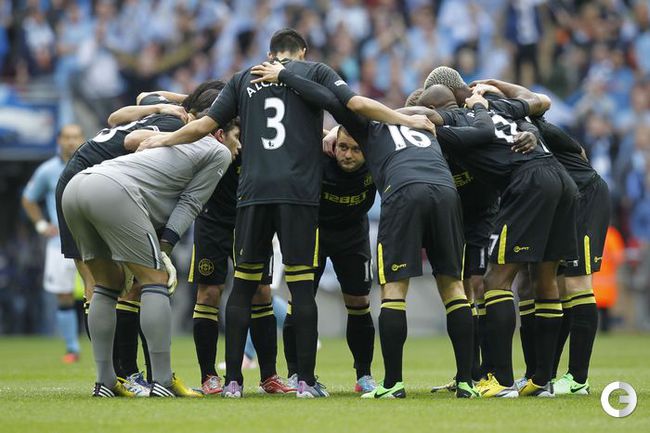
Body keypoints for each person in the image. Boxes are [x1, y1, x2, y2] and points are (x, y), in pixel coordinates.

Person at [138, 28, 434, 399]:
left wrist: (163, 138)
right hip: (298, 196)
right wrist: (405, 120)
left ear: (270, 53)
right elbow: (356, 105)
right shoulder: (316, 72)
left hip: (253, 194)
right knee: (300, 288)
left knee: (243, 287)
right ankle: (305, 382)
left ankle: (232, 383)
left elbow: (205, 124)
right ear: (303, 52)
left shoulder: (244, 78)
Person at [251, 60, 504, 399]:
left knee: (394, 292)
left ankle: (393, 383)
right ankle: (465, 382)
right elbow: (481, 132)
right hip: (445, 192)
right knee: (455, 289)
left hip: (403, 192)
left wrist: (285, 76)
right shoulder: (432, 121)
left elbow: (329, 98)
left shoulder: (370, 127)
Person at [55, 83, 221, 394]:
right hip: (108, 185)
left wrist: (175, 102)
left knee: (107, 284)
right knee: (152, 279)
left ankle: (108, 380)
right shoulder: (191, 134)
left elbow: (137, 102)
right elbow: (133, 140)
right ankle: (159, 379)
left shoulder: (166, 111)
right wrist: (166, 245)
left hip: (76, 184)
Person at [422, 67, 579, 397]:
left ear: (435, 108)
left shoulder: (452, 123)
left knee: (496, 280)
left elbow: (469, 132)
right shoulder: (498, 105)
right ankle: (542, 380)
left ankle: (502, 381)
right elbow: (537, 101)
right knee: (545, 279)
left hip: (527, 184)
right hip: (561, 180)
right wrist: (498, 89)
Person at [283, 134, 377, 393]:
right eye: (343, 147)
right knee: (299, 300)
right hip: (315, 231)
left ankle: (364, 375)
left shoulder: (378, 155)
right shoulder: (318, 157)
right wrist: (331, 130)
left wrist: (337, 128)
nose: (347, 155)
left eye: (356, 149)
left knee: (359, 302)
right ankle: (295, 374)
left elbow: (391, 122)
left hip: (354, 235)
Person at [22, 124, 84, 363]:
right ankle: (72, 348)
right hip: (59, 241)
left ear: (82, 139)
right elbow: (28, 199)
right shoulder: (48, 170)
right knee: (64, 294)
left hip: (89, 238)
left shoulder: (94, 164)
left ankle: (105, 347)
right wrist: (41, 225)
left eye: (75, 137)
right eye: (67, 137)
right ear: (59, 140)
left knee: (100, 290)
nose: (71, 141)